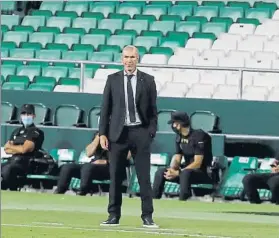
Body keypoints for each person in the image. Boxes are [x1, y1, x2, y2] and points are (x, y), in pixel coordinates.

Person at [98, 45, 158, 228]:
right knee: (115, 176)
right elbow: (105, 109)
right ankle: (113, 215)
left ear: (138, 59)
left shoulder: (148, 80)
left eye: (133, 57)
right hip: (118, 133)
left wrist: (150, 132)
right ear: (121, 59)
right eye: (126, 57)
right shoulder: (112, 79)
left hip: (140, 132)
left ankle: (147, 216)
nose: (129, 60)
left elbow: (153, 110)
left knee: (143, 177)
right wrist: (102, 134)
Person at [153, 111, 213, 201]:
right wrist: (172, 169)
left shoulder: (199, 136)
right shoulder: (178, 137)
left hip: (203, 173)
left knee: (185, 173)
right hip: (185, 172)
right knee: (161, 172)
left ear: (179, 124)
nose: (173, 126)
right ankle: (154, 200)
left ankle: (183, 200)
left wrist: (179, 173)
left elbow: (197, 163)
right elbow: (177, 157)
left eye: (174, 123)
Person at [55, 132, 131, 195]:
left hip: (111, 168)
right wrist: (99, 137)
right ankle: (60, 190)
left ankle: (83, 191)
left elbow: (127, 156)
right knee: (67, 167)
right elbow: (89, 153)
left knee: (88, 167)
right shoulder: (98, 136)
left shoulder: (120, 136)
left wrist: (106, 162)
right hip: (93, 167)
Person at [2, 104, 44, 190]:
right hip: (12, 160)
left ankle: (12, 190)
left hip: (26, 163)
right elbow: (6, 148)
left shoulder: (36, 132)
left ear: (34, 116)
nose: (26, 116)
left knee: (8, 169)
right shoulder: (16, 131)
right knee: (6, 167)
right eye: (24, 114)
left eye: (29, 114)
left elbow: (25, 149)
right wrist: (19, 148)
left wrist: (13, 147)